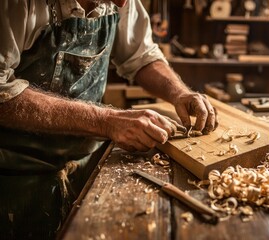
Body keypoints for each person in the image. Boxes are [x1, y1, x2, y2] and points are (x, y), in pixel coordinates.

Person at [0, 0, 217, 238]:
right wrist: (106, 121)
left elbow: (141, 56)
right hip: (16, 173)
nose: (123, 3)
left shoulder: (119, 1)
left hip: (83, 163)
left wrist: (179, 92)